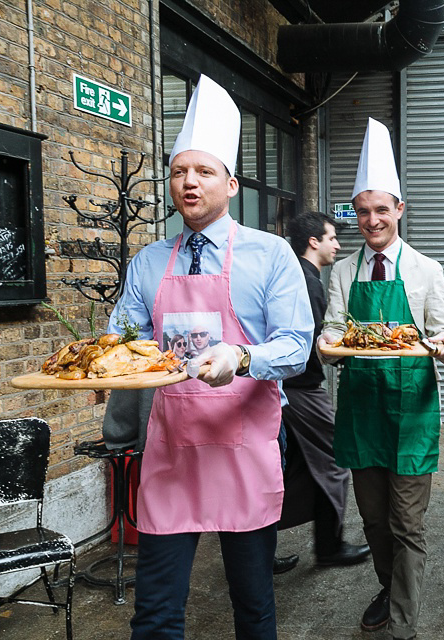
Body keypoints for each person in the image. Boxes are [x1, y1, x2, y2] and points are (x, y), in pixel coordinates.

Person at [107, 75, 314, 640]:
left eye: (203, 171)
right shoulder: (147, 263)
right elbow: (121, 342)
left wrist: (242, 358)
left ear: (231, 180)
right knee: (153, 614)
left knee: (252, 608)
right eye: (179, 172)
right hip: (171, 452)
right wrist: (110, 360)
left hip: (243, 448)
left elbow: (297, 345)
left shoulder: (270, 255)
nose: (189, 183)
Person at [318, 118, 444, 640]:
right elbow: (334, 332)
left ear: (399, 210)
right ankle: (388, 585)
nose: (372, 220)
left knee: (408, 525)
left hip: (413, 413)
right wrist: (326, 347)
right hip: (360, 411)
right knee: (376, 524)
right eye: (363, 211)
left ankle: (404, 624)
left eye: (382, 209)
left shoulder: (426, 269)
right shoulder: (342, 272)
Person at [275, 211, 370, 573]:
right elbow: (315, 344)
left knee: (296, 466)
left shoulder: (295, 276)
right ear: (313, 242)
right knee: (333, 460)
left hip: (289, 386)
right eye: (332, 238)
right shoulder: (308, 281)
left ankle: (256, 541)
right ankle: (329, 547)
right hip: (301, 387)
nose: (338, 245)